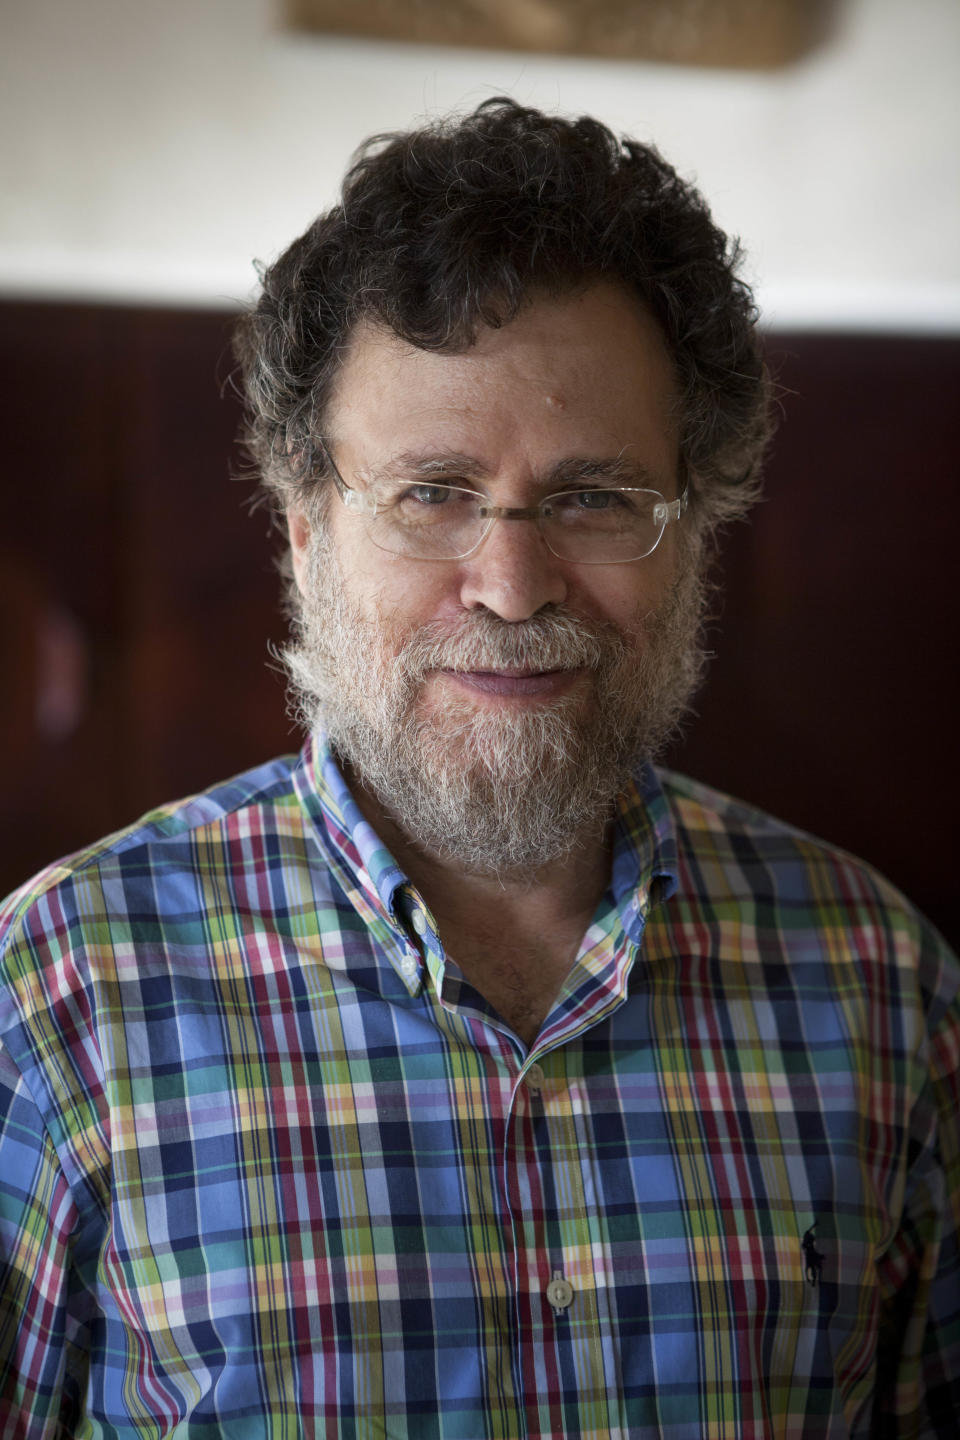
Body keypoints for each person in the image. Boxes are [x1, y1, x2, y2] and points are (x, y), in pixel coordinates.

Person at [0, 98, 957, 1439]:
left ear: (695, 532)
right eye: (433, 492)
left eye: (596, 497)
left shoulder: (887, 992)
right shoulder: (59, 997)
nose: (511, 587)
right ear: (306, 533)